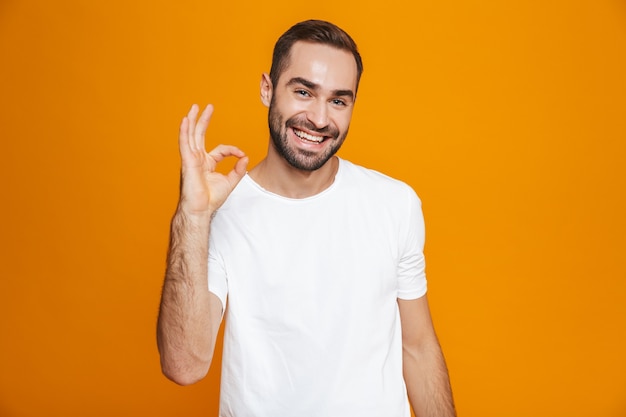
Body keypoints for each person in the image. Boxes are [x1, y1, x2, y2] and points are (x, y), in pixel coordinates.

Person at [157, 19, 456, 417]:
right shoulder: (221, 212)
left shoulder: (395, 203)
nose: (318, 118)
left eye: (338, 100)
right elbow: (184, 364)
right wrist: (194, 216)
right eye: (303, 92)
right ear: (268, 89)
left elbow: (417, 349)